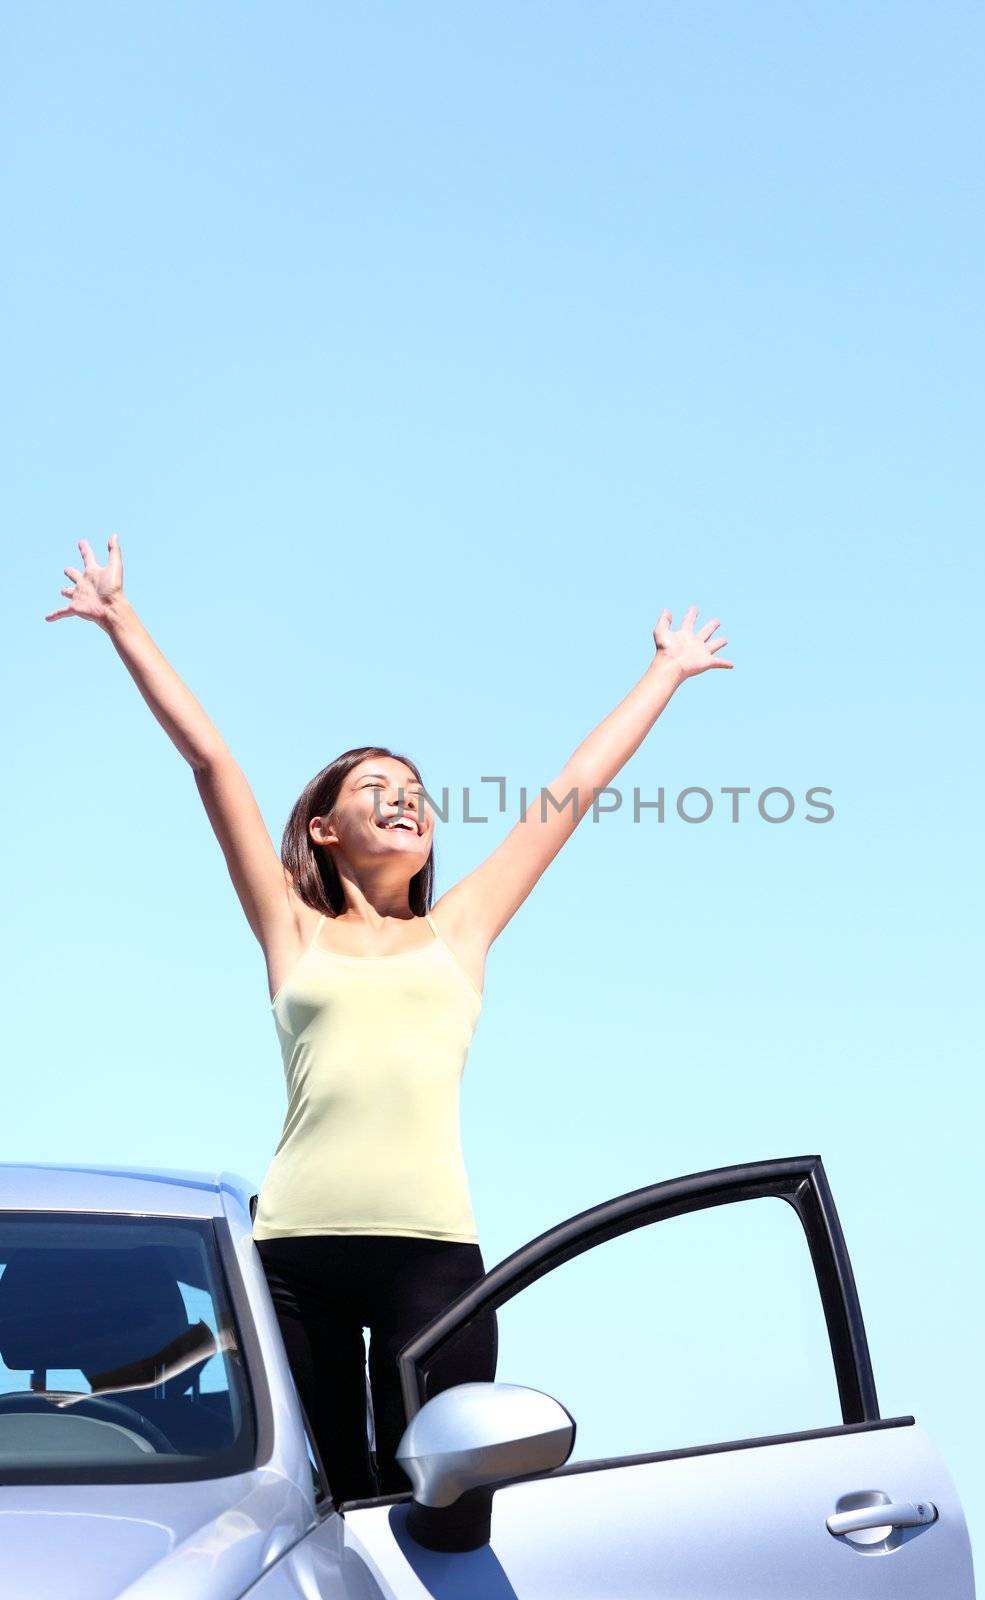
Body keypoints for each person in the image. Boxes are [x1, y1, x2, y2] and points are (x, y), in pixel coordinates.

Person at [46, 533, 734, 1503]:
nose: (405, 800)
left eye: (415, 793)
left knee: (443, 1511)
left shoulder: (461, 931)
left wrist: (664, 671)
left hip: (434, 1260)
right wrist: (122, 621)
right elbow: (211, 762)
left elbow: (572, 791)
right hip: (293, 1259)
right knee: (331, 1504)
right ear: (325, 828)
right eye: (378, 789)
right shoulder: (291, 930)